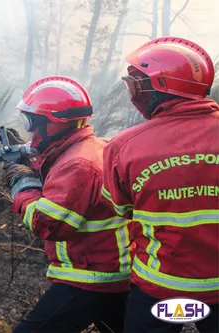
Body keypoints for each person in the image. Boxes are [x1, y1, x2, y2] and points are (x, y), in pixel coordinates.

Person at [101, 36, 219, 333]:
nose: (132, 94)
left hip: (160, 286)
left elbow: (120, 207)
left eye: (135, 85)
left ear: (157, 89)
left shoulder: (124, 146)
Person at [3, 76, 132, 333]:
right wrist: (33, 164)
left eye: (31, 121)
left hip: (89, 278)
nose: (29, 130)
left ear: (52, 123)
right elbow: (65, 183)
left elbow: (49, 224)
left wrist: (22, 182)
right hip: (113, 272)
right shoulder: (93, 147)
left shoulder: (78, 164)